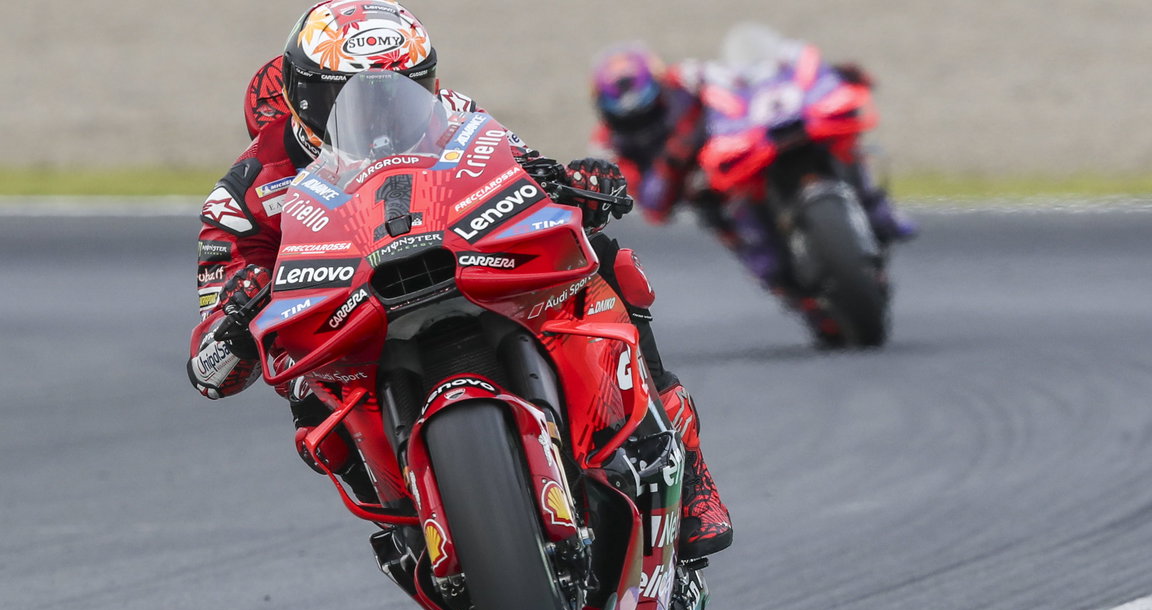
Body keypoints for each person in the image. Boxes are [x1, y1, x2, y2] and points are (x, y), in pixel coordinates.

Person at [187, 0, 731, 558]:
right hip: (349, 330)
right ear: (303, 96)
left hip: (460, 272)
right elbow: (209, 372)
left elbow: (526, 179)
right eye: (349, 97)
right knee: (306, 394)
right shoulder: (244, 195)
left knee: (601, 256)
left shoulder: (451, 111)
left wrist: (572, 184)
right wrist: (236, 320)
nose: (378, 114)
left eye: (399, 88)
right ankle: (403, 531)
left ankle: (689, 474)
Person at [589, 28, 916, 311]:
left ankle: (875, 206)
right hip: (708, 187)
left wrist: (828, 76)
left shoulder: (684, 81)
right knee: (745, 237)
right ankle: (791, 291)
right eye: (624, 112)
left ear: (658, 85)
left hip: (738, 147)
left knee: (840, 146)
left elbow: (737, 82)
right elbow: (653, 206)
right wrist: (675, 158)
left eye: (644, 105)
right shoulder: (611, 146)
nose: (638, 118)